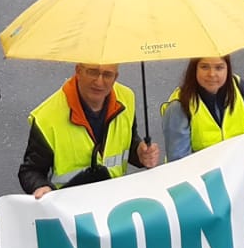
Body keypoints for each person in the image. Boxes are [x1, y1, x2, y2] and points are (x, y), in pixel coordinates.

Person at [20, 64, 162, 197]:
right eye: (93, 72)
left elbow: (128, 141)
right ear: (78, 71)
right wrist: (40, 186)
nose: (99, 82)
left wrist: (140, 153)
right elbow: (31, 171)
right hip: (70, 207)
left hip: (114, 201)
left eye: (107, 75)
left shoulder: (126, 98)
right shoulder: (48, 117)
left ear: (115, 77)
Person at [159, 55, 244, 161]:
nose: (212, 74)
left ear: (228, 68)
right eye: (204, 67)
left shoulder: (240, 88)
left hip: (239, 168)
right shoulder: (178, 106)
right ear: (194, 68)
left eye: (219, 68)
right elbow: (179, 161)